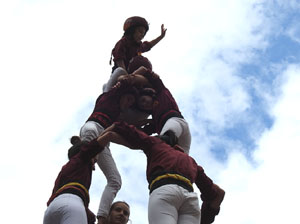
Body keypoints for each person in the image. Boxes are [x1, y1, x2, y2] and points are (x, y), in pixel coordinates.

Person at [99, 121, 225, 224]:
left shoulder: (156, 144)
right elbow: (215, 194)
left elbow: (127, 129)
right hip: (190, 197)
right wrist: (206, 217)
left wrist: (103, 136)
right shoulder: (191, 161)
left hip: (165, 191)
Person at [79, 77, 142, 224]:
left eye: (131, 102)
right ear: (121, 94)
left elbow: (132, 132)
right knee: (85, 163)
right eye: (128, 99)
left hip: (105, 140)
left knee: (115, 181)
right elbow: (124, 77)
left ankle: (101, 218)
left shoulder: (119, 117)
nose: (128, 103)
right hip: (94, 127)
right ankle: (83, 150)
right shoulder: (109, 97)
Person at [43, 134, 112, 224]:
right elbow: (98, 143)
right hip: (72, 205)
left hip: (50, 210)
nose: (94, 167)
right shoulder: (83, 157)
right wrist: (113, 129)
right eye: (95, 160)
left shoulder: (64, 170)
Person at [133, 67, 192, 154]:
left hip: (175, 121)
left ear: (150, 95)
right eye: (142, 106)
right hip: (180, 132)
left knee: (161, 144)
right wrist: (142, 122)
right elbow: (141, 133)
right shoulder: (156, 120)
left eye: (144, 100)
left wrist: (129, 78)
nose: (144, 104)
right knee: (180, 161)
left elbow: (144, 70)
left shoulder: (161, 92)